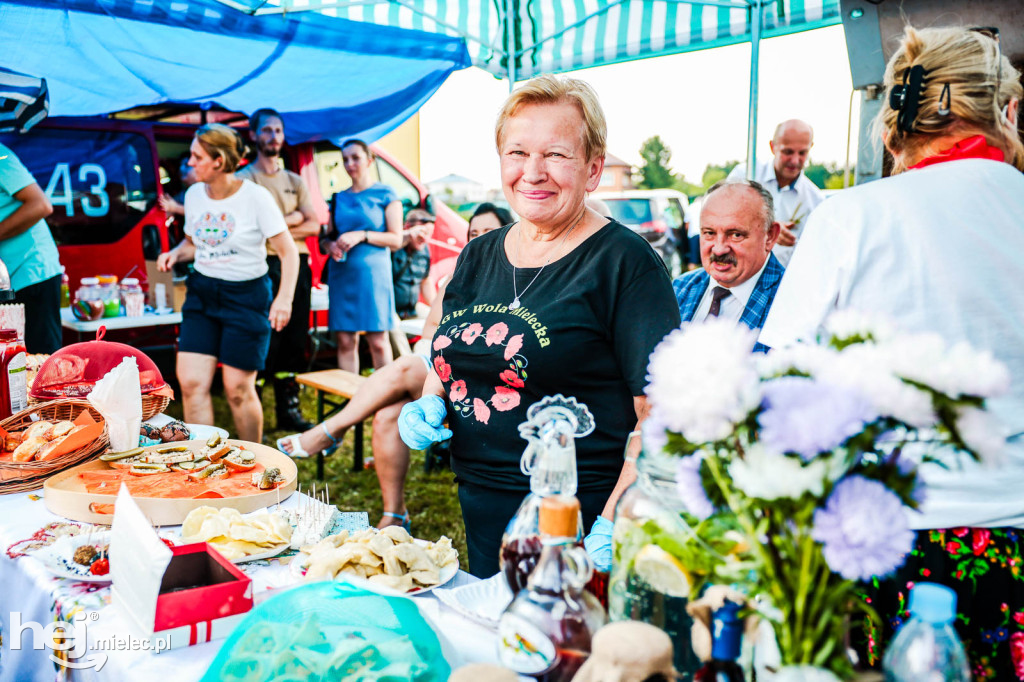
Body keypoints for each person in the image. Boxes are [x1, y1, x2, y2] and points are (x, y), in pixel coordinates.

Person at [758, 26, 1024, 678]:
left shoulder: (850, 217)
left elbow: (779, 388)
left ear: (896, 120)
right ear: (1006, 111)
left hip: (887, 537)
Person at [398, 75, 681, 577]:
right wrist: (430, 399)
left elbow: (660, 409)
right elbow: (447, 353)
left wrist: (616, 516)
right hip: (480, 502)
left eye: (555, 155)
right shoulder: (478, 254)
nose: (533, 172)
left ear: (593, 169)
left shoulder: (624, 263)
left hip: (575, 517)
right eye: (517, 152)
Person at [277, 203, 512, 530]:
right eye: (473, 233)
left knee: (405, 367)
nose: (480, 240)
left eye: (489, 232)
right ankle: (395, 514)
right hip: (438, 370)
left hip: (480, 380)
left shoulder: (515, 279)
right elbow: (431, 331)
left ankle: (331, 431)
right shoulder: (461, 277)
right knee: (388, 414)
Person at [157, 123, 299, 443]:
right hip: (203, 292)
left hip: (246, 296)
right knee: (191, 384)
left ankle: (254, 460)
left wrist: (284, 299)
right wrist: (176, 253)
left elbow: (290, 253)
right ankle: (201, 461)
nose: (189, 162)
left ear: (219, 161)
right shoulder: (194, 195)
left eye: (196, 156)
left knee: (237, 389)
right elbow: (194, 244)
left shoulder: (256, 198)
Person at [236, 108, 320, 432]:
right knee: (262, 338)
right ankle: (254, 408)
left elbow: (314, 224)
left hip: (296, 264)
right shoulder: (244, 179)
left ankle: (288, 411)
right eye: (267, 131)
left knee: (294, 340)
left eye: (278, 131)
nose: (274, 137)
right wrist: (294, 219)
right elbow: (249, 230)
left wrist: (278, 228)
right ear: (254, 135)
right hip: (262, 267)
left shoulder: (295, 180)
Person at [320, 139, 403, 372]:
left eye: (355, 157)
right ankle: (352, 401)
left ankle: (386, 400)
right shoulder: (338, 198)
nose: (349, 164)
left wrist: (362, 235)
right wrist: (330, 246)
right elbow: (325, 238)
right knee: (345, 341)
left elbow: (396, 239)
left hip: (373, 277)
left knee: (377, 341)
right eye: (345, 159)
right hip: (342, 275)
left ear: (369, 160)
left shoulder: (386, 193)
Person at [673, 180, 783, 352]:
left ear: (770, 236)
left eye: (736, 235)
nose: (719, 248)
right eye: (709, 233)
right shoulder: (679, 289)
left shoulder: (792, 300)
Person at [726, 119, 824, 267]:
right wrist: (765, 228)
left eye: (802, 153)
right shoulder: (745, 175)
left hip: (784, 284)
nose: (795, 160)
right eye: (788, 152)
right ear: (773, 147)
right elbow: (721, 218)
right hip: (736, 273)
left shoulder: (815, 200)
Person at [0, 143, 61, 353]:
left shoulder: (1, 155)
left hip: (32, 272)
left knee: (40, 362)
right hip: (8, 280)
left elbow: (41, 205)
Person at [392, 208, 435, 320]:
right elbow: (390, 244)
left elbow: (425, 281)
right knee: (399, 337)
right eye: (422, 233)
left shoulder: (425, 250)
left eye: (429, 234)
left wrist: (436, 307)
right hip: (390, 309)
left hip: (411, 309)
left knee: (438, 321)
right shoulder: (394, 247)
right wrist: (408, 235)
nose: (425, 239)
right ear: (407, 227)